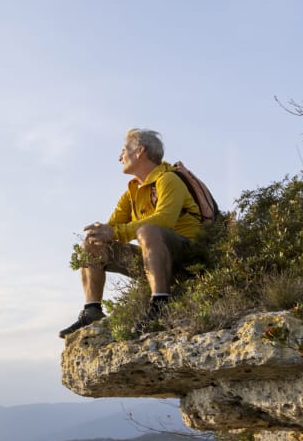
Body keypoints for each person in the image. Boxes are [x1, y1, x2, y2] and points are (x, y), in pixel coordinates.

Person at [59, 128, 203, 338]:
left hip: (187, 256)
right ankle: (92, 311)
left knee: (148, 231)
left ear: (140, 151)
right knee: (92, 243)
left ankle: (160, 304)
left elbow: (165, 220)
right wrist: (101, 233)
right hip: (154, 257)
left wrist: (115, 232)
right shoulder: (132, 192)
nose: (120, 157)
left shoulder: (169, 180)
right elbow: (111, 229)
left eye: (124, 150)